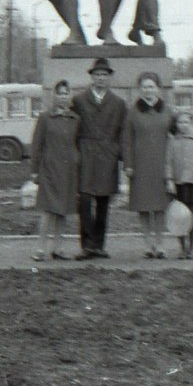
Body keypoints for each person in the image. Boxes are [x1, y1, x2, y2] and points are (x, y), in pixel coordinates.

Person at [70, 57, 128, 260]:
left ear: (109, 77)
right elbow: (73, 129)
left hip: (107, 157)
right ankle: (86, 246)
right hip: (86, 155)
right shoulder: (78, 101)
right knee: (84, 201)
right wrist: (75, 153)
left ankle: (99, 245)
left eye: (104, 75)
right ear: (92, 77)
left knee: (103, 202)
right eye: (97, 75)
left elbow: (123, 133)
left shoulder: (119, 103)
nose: (101, 78)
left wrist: (121, 155)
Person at [122, 72, 174, 259]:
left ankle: (160, 244)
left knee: (160, 206)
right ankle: (148, 244)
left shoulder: (167, 111)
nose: (148, 90)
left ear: (158, 89)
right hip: (140, 165)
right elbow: (126, 140)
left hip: (161, 165)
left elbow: (176, 136)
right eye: (144, 87)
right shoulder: (132, 112)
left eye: (151, 86)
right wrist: (128, 164)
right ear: (139, 89)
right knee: (143, 206)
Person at [29, 79, 79, 261]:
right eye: (60, 93)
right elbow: (37, 146)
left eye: (66, 93)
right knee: (47, 210)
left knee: (63, 210)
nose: (63, 97)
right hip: (49, 170)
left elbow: (77, 144)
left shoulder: (75, 119)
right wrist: (35, 171)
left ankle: (58, 248)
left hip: (68, 171)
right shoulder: (45, 118)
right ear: (54, 96)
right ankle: (40, 249)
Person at [165, 109, 193, 259]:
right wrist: (169, 180)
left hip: (192, 183)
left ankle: (191, 248)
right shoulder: (172, 142)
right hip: (178, 183)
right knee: (179, 217)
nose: (183, 125)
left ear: (191, 123)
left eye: (186, 122)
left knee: (191, 215)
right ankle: (182, 247)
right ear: (176, 124)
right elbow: (168, 163)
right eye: (180, 122)